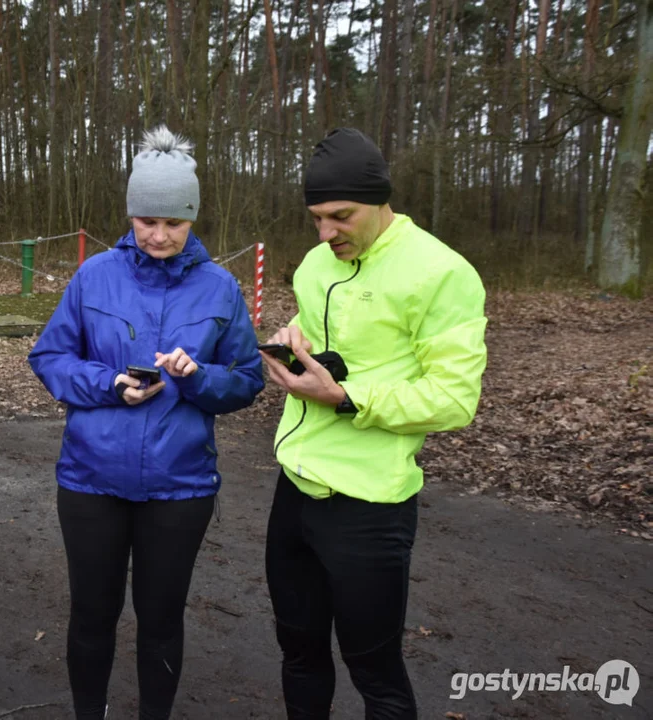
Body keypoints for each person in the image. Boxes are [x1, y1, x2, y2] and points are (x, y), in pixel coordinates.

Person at [28, 125, 265, 720]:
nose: (159, 236)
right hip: (90, 481)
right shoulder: (94, 277)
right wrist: (108, 385)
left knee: (161, 622)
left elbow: (247, 380)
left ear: (192, 220)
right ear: (131, 215)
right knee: (91, 615)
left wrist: (196, 377)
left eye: (174, 223)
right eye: (147, 221)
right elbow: (50, 358)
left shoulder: (221, 287)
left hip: (179, 489)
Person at [260, 127, 488, 719]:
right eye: (315, 218)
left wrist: (345, 396)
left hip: (370, 505)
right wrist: (292, 340)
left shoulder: (442, 273)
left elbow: (454, 398)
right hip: (295, 490)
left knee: (376, 674)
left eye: (341, 216)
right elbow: (329, 335)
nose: (326, 233)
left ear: (383, 200)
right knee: (299, 652)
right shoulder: (314, 265)